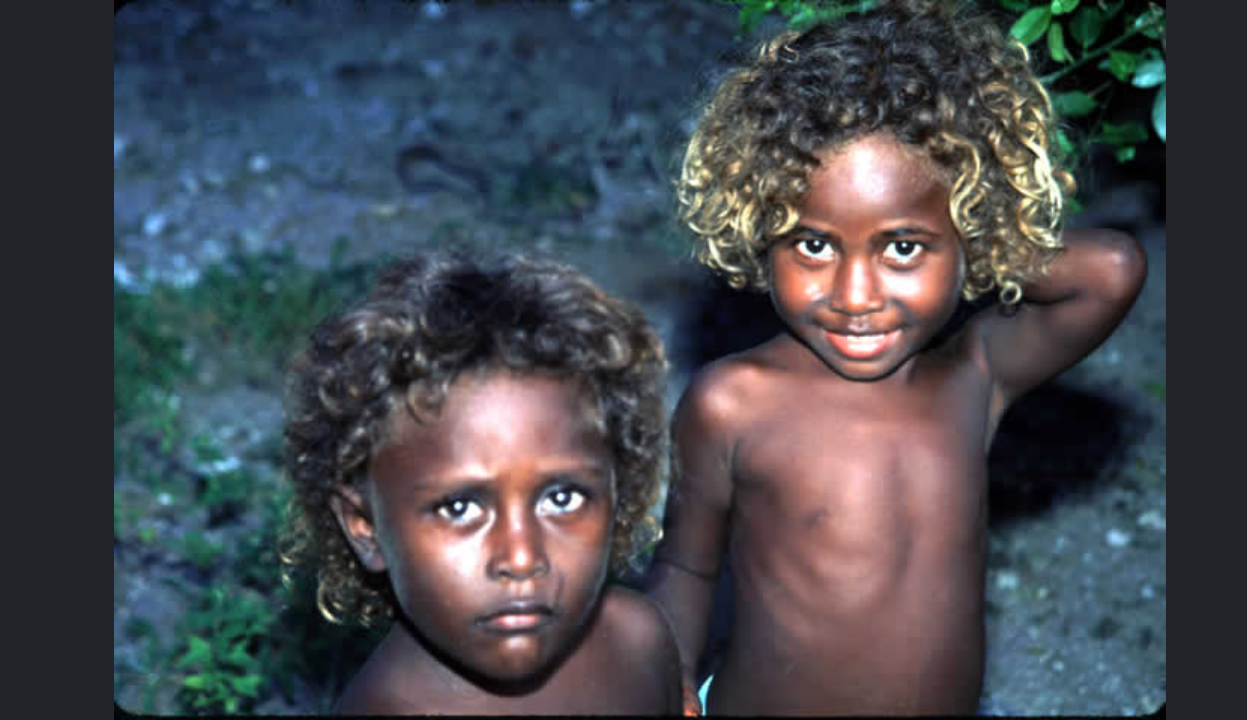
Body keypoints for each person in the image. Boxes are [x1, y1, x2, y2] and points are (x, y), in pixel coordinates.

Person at [644, 0, 1149, 714]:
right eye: (813, 243)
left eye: (902, 247)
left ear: (968, 229)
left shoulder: (974, 378)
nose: (855, 295)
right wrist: (668, 672)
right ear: (762, 230)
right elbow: (687, 568)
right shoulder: (734, 402)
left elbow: (1111, 270)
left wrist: (991, 231)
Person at [279, 251, 683, 715]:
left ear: (618, 492)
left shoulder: (638, 643)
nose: (521, 558)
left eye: (562, 497)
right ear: (364, 526)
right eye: (459, 508)